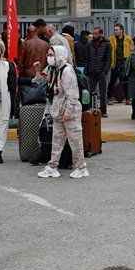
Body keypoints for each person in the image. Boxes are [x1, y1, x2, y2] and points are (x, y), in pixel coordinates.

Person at [37, 44, 88, 179]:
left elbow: (72, 94)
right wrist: (37, 70)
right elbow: (42, 82)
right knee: (57, 140)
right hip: (58, 109)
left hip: (69, 110)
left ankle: (81, 167)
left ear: (59, 55)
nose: (49, 57)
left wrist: (68, 112)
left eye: (51, 55)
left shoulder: (67, 71)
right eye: (48, 55)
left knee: (75, 140)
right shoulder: (53, 69)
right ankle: (52, 166)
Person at [84, 27, 112, 117]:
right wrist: (87, 69)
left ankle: (103, 111)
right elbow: (87, 58)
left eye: (96, 33)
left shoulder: (107, 44)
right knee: (90, 91)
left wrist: (105, 71)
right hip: (91, 71)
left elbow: (108, 59)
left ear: (101, 34)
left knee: (103, 92)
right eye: (93, 33)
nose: (94, 35)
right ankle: (90, 109)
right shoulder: (89, 44)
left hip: (101, 71)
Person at [108, 23, 134, 102]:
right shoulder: (111, 39)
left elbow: (132, 48)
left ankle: (127, 98)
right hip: (115, 62)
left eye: (117, 30)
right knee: (112, 80)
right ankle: (110, 97)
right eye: (114, 30)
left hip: (124, 62)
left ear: (121, 30)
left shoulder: (128, 38)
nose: (115, 31)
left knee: (125, 80)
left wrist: (129, 59)